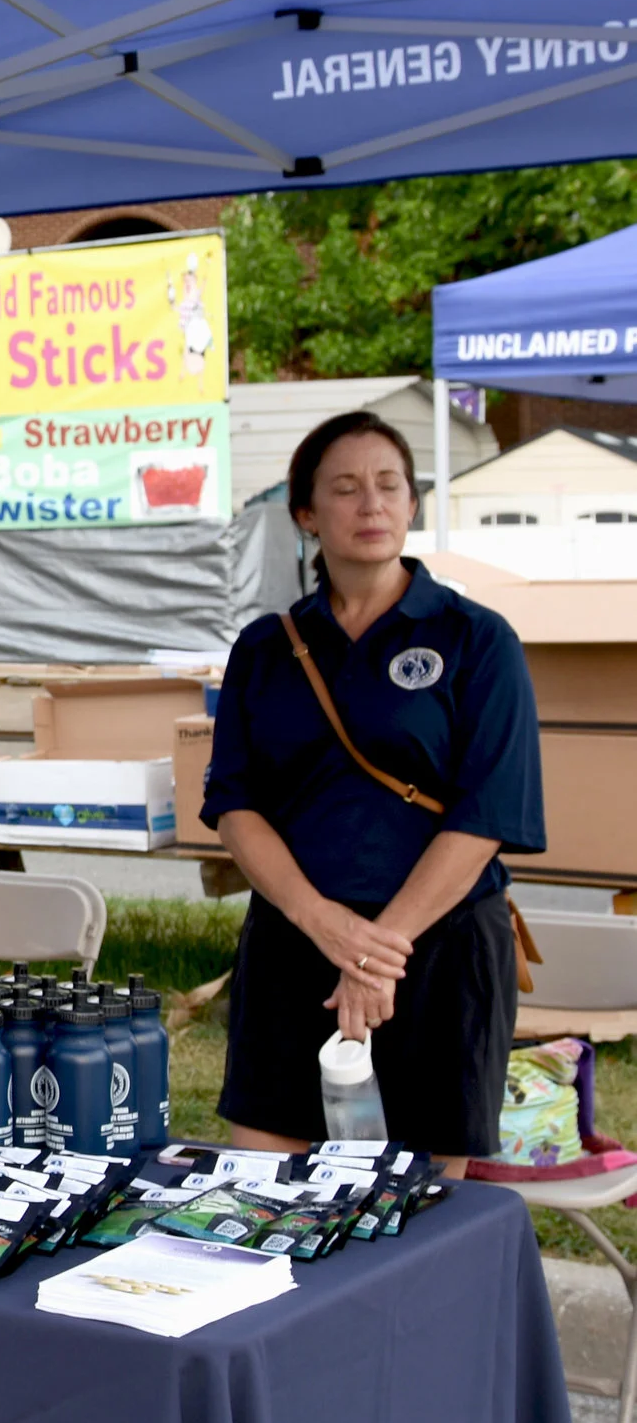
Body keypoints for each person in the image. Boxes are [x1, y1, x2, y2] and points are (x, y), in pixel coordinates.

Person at [204, 410, 544, 1173]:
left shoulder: (476, 639)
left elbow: (486, 811)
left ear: (413, 504)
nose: (372, 505)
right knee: (267, 1190)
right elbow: (234, 803)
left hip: (440, 950)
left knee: (419, 1210)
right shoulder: (265, 649)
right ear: (305, 513)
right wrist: (322, 923)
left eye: (390, 485)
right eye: (347, 489)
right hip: (295, 946)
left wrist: (374, 954)